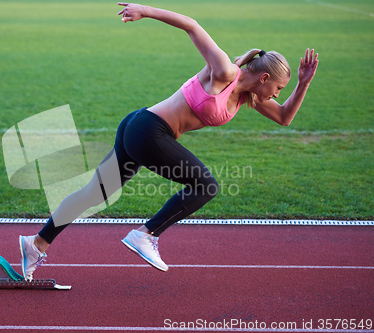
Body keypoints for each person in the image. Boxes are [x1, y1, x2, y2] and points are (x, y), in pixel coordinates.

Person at [18, 3, 319, 280]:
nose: (278, 94)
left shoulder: (247, 96)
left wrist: (303, 85)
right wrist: (145, 11)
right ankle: (145, 235)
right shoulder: (225, 73)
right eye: (279, 88)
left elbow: (284, 118)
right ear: (264, 77)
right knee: (206, 186)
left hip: (139, 127)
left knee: (93, 194)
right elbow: (192, 25)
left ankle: (36, 244)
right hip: (149, 130)